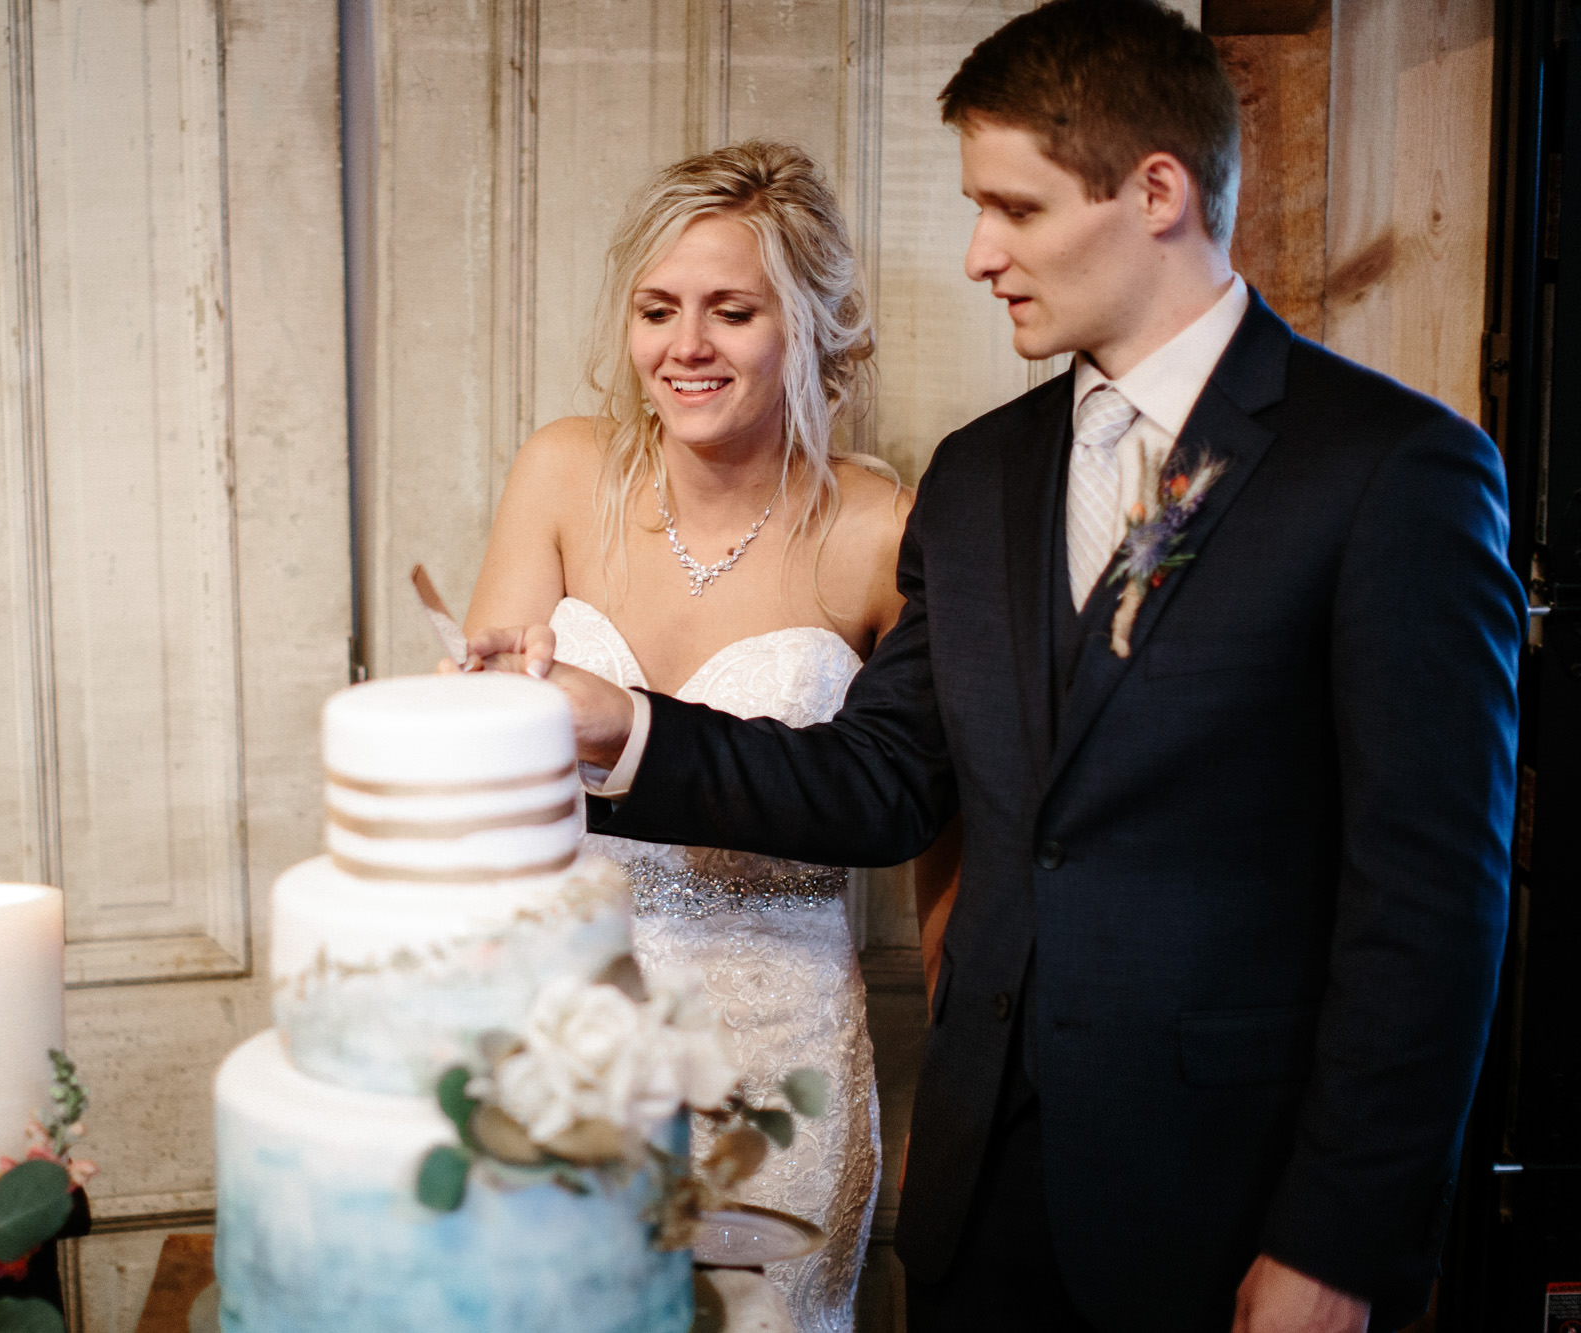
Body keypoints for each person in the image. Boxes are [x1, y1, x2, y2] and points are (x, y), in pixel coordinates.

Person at [466, 3, 1524, 1331]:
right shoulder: (978, 478)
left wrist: (1342, 1236)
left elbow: (1432, 900)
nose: (976, 254)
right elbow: (885, 784)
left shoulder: (1386, 470)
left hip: (1229, 1199)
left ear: (1155, 192)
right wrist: (624, 729)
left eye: (1012, 210)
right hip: (981, 1199)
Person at [460, 139, 913, 1333]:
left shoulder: (880, 530)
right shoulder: (561, 473)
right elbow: (482, 757)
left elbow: (910, 803)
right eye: (656, 310)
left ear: (808, 321)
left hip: (777, 1068)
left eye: (731, 310)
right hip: (556, 1037)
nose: (685, 346)